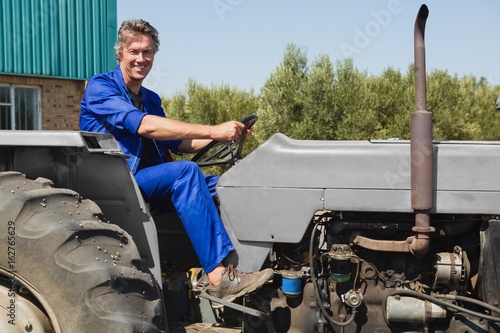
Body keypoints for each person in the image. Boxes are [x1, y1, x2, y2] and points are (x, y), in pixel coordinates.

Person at [79, 19, 273, 303]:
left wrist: (223, 134)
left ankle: (261, 262)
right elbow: (144, 126)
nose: (141, 59)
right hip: (117, 185)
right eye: (134, 51)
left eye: (148, 52)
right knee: (186, 172)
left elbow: (179, 143)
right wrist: (212, 130)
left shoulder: (151, 98)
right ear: (120, 52)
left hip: (150, 183)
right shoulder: (100, 87)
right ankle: (219, 277)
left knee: (229, 185)